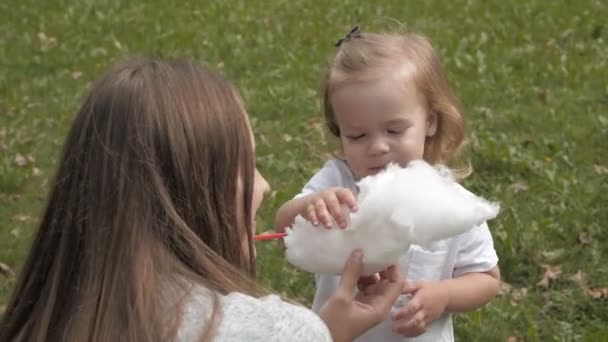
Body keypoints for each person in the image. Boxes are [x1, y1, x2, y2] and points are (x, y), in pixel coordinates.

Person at [0, 58, 405, 342]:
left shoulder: (38, 320)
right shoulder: (273, 330)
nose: (263, 187)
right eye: (246, 164)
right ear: (194, 189)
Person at [275, 27, 501, 341]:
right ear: (339, 132)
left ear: (430, 122)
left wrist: (444, 295)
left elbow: (487, 278)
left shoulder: (447, 201)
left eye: (394, 131)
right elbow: (282, 227)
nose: (378, 147)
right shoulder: (337, 182)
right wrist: (309, 206)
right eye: (357, 136)